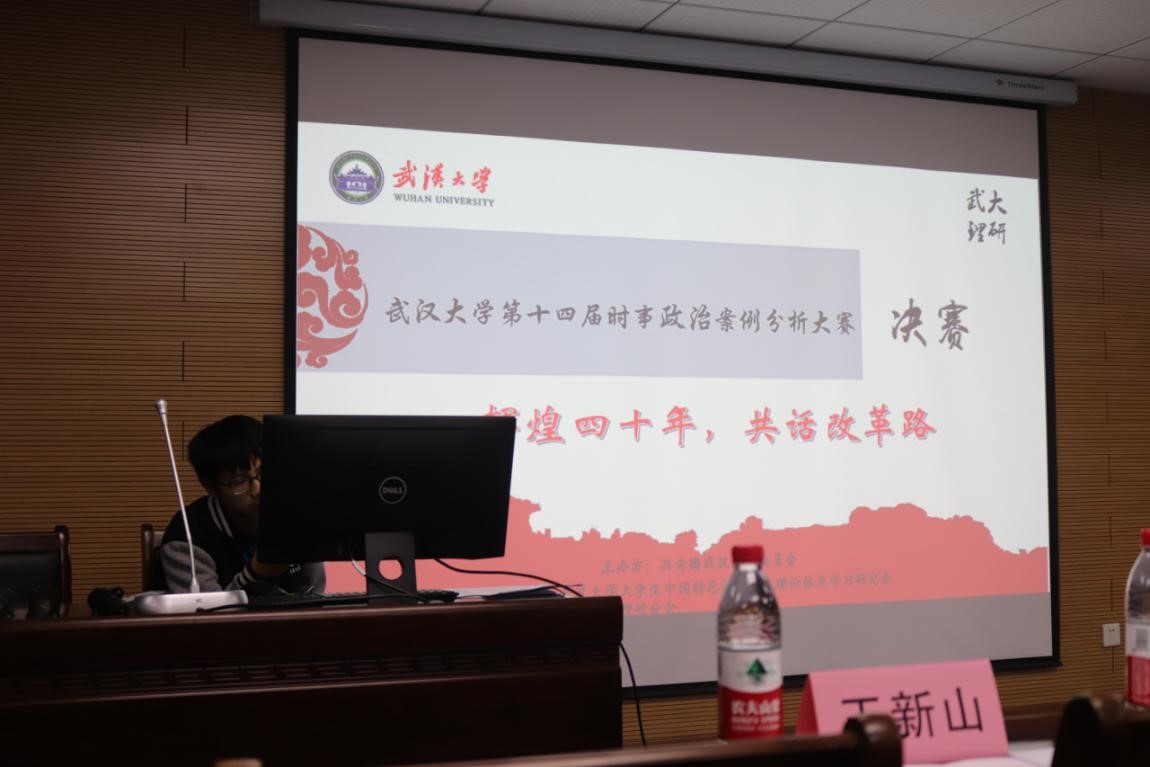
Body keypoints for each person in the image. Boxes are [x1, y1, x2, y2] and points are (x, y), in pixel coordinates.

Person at [159, 415, 325, 594]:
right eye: (240, 481)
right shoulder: (188, 535)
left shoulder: (294, 515)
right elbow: (205, 610)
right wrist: (256, 574)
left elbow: (314, 593)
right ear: (210, 487)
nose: (258, 490)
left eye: (264, 472)